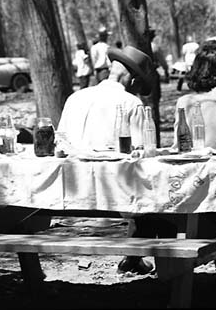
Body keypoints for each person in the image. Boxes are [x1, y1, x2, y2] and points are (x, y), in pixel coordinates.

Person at [59, 45, 160, 275]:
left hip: (70, 186)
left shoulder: (75, 97)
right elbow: (140, 153)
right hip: (112, 190)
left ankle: (134, 258)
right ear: (133, 81)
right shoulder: (131, 103)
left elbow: (61, 142)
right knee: (158, 192)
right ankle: (153, 261)